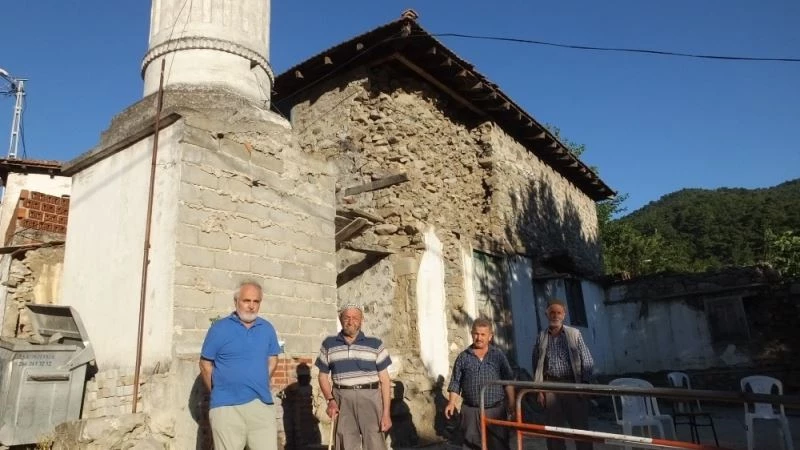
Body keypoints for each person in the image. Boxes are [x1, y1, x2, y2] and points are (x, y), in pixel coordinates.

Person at [199, 280, 281, 450]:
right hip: (226, 408)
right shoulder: (219, 329)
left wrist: (258, 381)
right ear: (236, 301)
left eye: (256, 301)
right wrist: (219, 392)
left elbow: (273, 360)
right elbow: (205, 365)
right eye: (246, 300)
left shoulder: (267, 329)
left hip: (261, 405)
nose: (251, 306)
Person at [316, 304, 392, 450]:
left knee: (375, 442)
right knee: (345, 442)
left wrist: (386, 413)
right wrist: (330, 400)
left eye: (355, 318)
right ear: (340, 319)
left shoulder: (375, 344)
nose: (351, 322)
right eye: (347, 318)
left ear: (361, 320)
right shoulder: (329, 344)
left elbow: (385, 381)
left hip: (370, 398)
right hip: (342, 399)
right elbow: (322, 377)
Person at [532, 298, 595, 450]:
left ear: (564, 315)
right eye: (552, 312)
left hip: (573, 386)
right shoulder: (541, 336)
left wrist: (584, 385)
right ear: (546, 314)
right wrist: (539, 390)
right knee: (553, 431)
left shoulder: (574, 334)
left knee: (580, 429)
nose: (555, 316)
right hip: (550, 387)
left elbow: (587, 360)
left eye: (559, 313)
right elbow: (536, 364)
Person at [445, 317, 515, 450]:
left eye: (483, 334)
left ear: (490, 336)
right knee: (471, 445)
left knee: (498, 445)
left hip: (495, 411)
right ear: (472, 334)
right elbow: (455, 382)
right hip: (471, 411)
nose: (479, 338)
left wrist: (512, 403)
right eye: (476, 334)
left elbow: (508, 380)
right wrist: (451, 403)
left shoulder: (498, 355)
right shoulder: (463, 357)